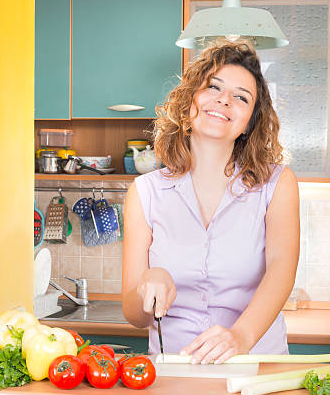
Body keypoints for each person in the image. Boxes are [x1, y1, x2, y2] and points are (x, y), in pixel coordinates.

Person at [122, 40, 300, 365]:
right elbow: (135, 317)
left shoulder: (277, 184)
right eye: (213, 87)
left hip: (256, 368)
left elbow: (281, 269)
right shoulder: (144, 193)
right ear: (191, 98)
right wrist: (149, 284)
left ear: (250, 121)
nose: (224, 100)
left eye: (241, 97)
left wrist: (241, 336)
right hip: (174, 374)